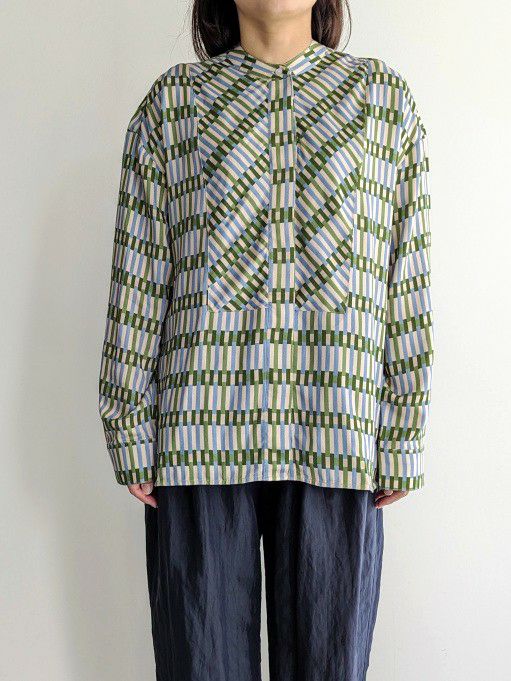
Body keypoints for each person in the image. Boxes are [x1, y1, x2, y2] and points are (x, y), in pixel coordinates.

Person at [98, 0, 433, 678]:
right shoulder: (173, 104)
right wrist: (126, 420)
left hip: (336, 430)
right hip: (197, 435)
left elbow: (407, 272)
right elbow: (139, 267)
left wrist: (402, 429)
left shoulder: (383, 100)